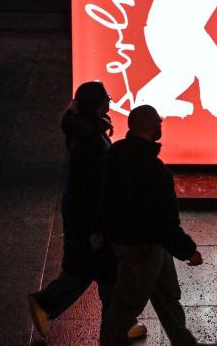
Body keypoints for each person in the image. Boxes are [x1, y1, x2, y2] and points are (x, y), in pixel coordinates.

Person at [28, 81, 147, 341]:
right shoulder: (91, 146)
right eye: (106, 98)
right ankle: (114, 327)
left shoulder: (81, 130)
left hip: (83, 219)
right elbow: (93, 191)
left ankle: (51, 305)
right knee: (103, 274)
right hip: (93, 222)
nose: (110, 100)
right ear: (96, 106)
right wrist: (96, 228)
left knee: (89, 272)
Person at [99, 105, 217, 346]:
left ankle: (185, 343)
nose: (161, 125)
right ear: (150, 127)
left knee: (166, 296)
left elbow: (105, 197)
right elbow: (165, 222)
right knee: (127, 307)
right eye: (158, 122)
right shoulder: (156, 172)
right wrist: (188, 250)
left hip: (135, 244)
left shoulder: (116, 153)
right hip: (143, 248)